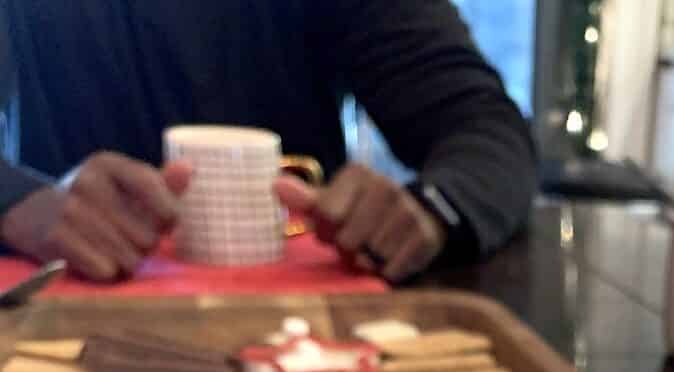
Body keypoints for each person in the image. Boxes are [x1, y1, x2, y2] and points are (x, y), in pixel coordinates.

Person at [0, 0, 535, 286]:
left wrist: (430, 211)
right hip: (67, 324)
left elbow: (483, 126)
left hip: (301, 351)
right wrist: (22, 202)